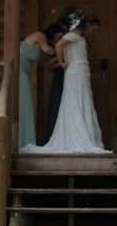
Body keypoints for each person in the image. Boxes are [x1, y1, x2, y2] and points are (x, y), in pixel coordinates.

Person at [21, 14, 110, 154]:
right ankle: (76, 137)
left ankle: (83, 136)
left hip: (81, 71)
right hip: (75, 71)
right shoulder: (75, 34)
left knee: (82, 101)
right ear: (87, 25)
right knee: (74, 101)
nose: (94, 32)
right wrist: (61, 61)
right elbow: (58, 45)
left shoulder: (79, 37)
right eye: (93, 29)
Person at [43, 7, 82, 138]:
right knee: (57, 104)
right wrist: (59, 59)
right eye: (58, 36)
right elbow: (47, 65)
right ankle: (54, 134)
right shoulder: (56, 47)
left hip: (71, 75)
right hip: (60, 76)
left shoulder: (70, 40)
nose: (60, 38)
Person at [17, 29, 56, 148]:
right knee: (23, 106)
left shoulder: (40, 43)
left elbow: (46, 63)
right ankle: (22, 142)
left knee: (24, 107)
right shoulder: (39, 35)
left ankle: (24, 141)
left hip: (23, 74)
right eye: (58, 37)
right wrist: (62, 48)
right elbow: (47, 50)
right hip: (19, 72)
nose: (58, 40)